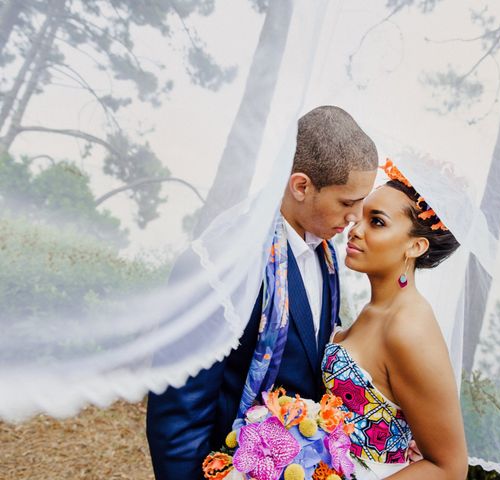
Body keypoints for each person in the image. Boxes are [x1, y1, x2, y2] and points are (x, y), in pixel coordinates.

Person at [146, 105, 378, 480]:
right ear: (301, 186)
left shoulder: (328, 256)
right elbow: (178, 417)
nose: (356, 217)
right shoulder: (222, 264)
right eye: (348, 203)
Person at [321, 159, 468, 479]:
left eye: (376, 222)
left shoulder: (409, 328)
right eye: (360, 215)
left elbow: (450, 468)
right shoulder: (374, 311)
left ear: (416, 246)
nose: (355, 229)